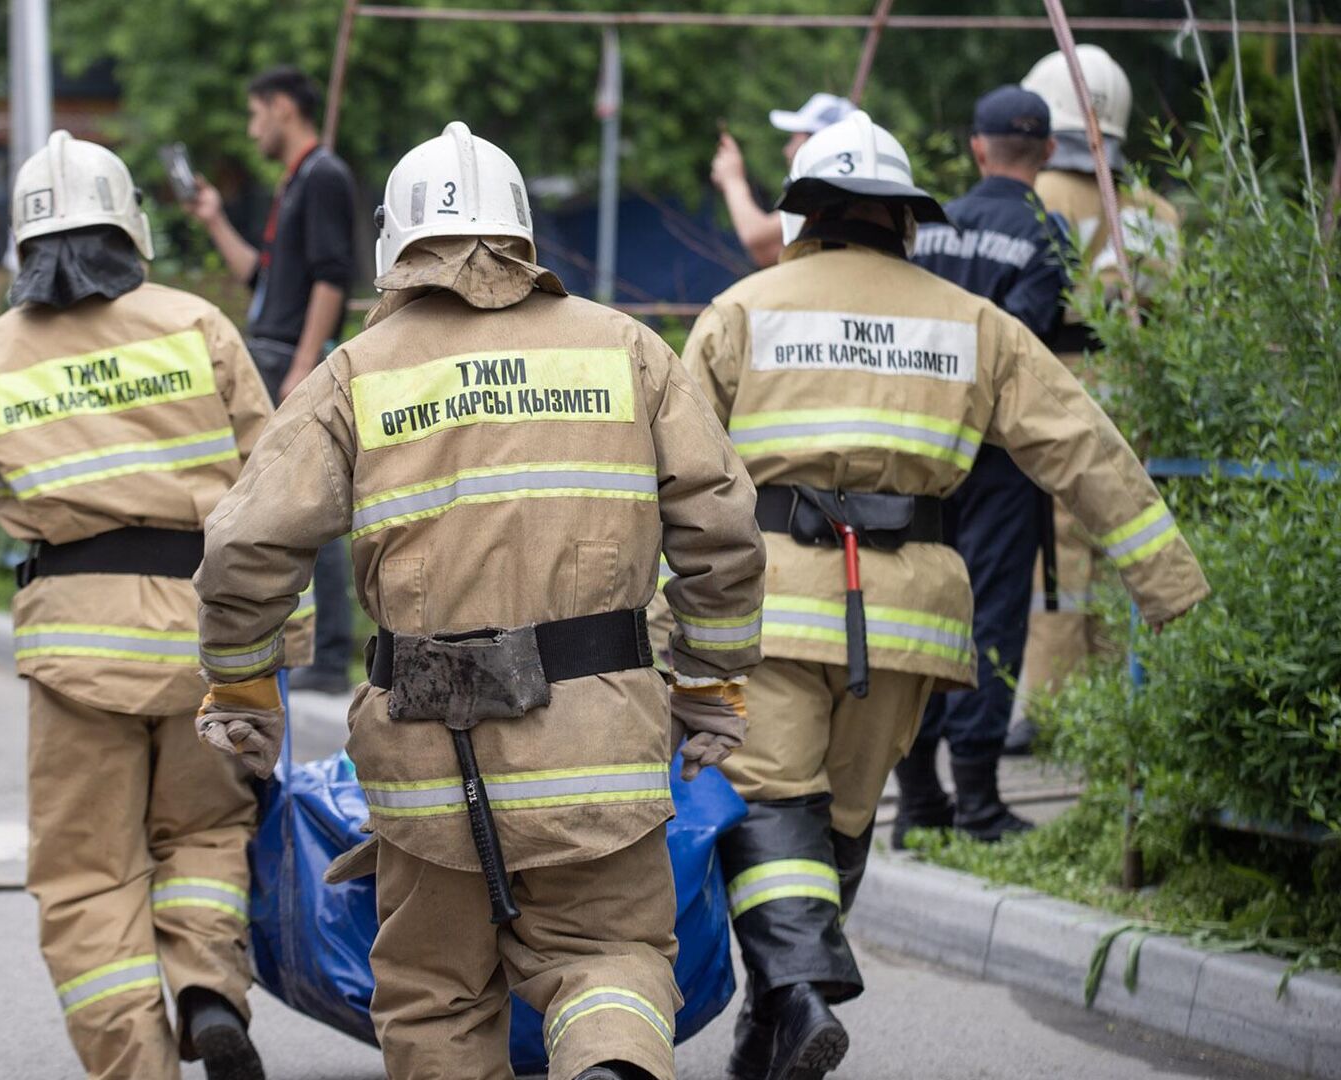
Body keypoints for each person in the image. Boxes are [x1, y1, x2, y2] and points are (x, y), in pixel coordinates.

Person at [192, 122, 768, 1080]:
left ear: (395, 245)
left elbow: (246, 544)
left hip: (428, 762)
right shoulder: (625, 349)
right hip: (600, 754)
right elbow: (724, 531)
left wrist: (246, 686)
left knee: (437, 998)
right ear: (522, 233)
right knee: (610, 962)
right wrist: (709, 682)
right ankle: (615, 1063)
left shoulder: (353, 378)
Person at [681, 111, 1208, 1080]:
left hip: (768, 601)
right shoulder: (971, 324)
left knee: (767, 802)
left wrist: (648, 615)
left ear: (804, 215)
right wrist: (1167, 581)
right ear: (905, 221)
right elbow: (1080, 446)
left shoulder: (742, 311)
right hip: (908, 616)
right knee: (840, 818)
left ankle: (796, 993)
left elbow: (674, 473)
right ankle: (777, 1015)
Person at [0, 133, 306, 1080]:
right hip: (213, 643)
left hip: (79, 654)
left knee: (88, 871)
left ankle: (136, 1061)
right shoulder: (199, 326)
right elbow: (277, 488)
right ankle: (209, 990)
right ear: (132, 227)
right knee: (208, 831)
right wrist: (284, 640)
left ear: (21, 246)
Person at [895, 85, 1072, 845]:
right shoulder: (1046, 232)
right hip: (999, 458)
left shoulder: (930, 227)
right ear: (1049, 153)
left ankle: (918, 800)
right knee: (989, 619)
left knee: (919, 610)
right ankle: (977, 801)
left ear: (977, 148)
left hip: (918, 453)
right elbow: (1021, 350)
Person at [1012, 45, 1183, 751]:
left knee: (1058, 556)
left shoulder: (1037, 196)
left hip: (1062, 385)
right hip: (1137, 392)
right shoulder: (1159, 213)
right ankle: (1124, 699)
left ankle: (1051, 708)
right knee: (1125, 540)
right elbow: (1177, 314)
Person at [187, 65, 359, 694]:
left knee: (313, 499)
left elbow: (332, 276)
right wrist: (212, 217)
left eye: (255, 112)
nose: (251, 126)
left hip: (290, 356)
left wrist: (302, 366)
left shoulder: (324, 176)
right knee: (270, 501)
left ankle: (330, 653)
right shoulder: (293, 183)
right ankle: (290, 643)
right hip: (272, 349)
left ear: (283, 108)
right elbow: (262, 280)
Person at [711, 93, 856, 270]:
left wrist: (732, 180)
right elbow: (766, 252)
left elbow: (755, 235)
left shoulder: (833, 198)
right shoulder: (845, 195)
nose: (786, 150)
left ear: (815, 142)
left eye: (794, 138)